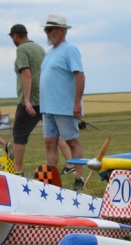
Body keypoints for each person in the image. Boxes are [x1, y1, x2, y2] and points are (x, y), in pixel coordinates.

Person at [39, 15, 86, 189]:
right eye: (46, 29)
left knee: (72, 141)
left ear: (62, 31)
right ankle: (50, 181)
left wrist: (77, 103)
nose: (47, 33)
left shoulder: (70, 49)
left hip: (64, 107)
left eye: (49, 29)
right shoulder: (50, 53)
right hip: (48, 107)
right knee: (49, 143)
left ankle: (79, 178)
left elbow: (79, 75)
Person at [8, 23, 45, 175]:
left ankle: (18, 170)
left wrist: (27, 100)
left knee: (19, 133)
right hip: (45, 97)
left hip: (30, 100)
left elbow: (26, 74)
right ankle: (70, 166)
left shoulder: (21, 49)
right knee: (55, 132)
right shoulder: (39, 48)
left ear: (15, 36)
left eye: (12, 37)